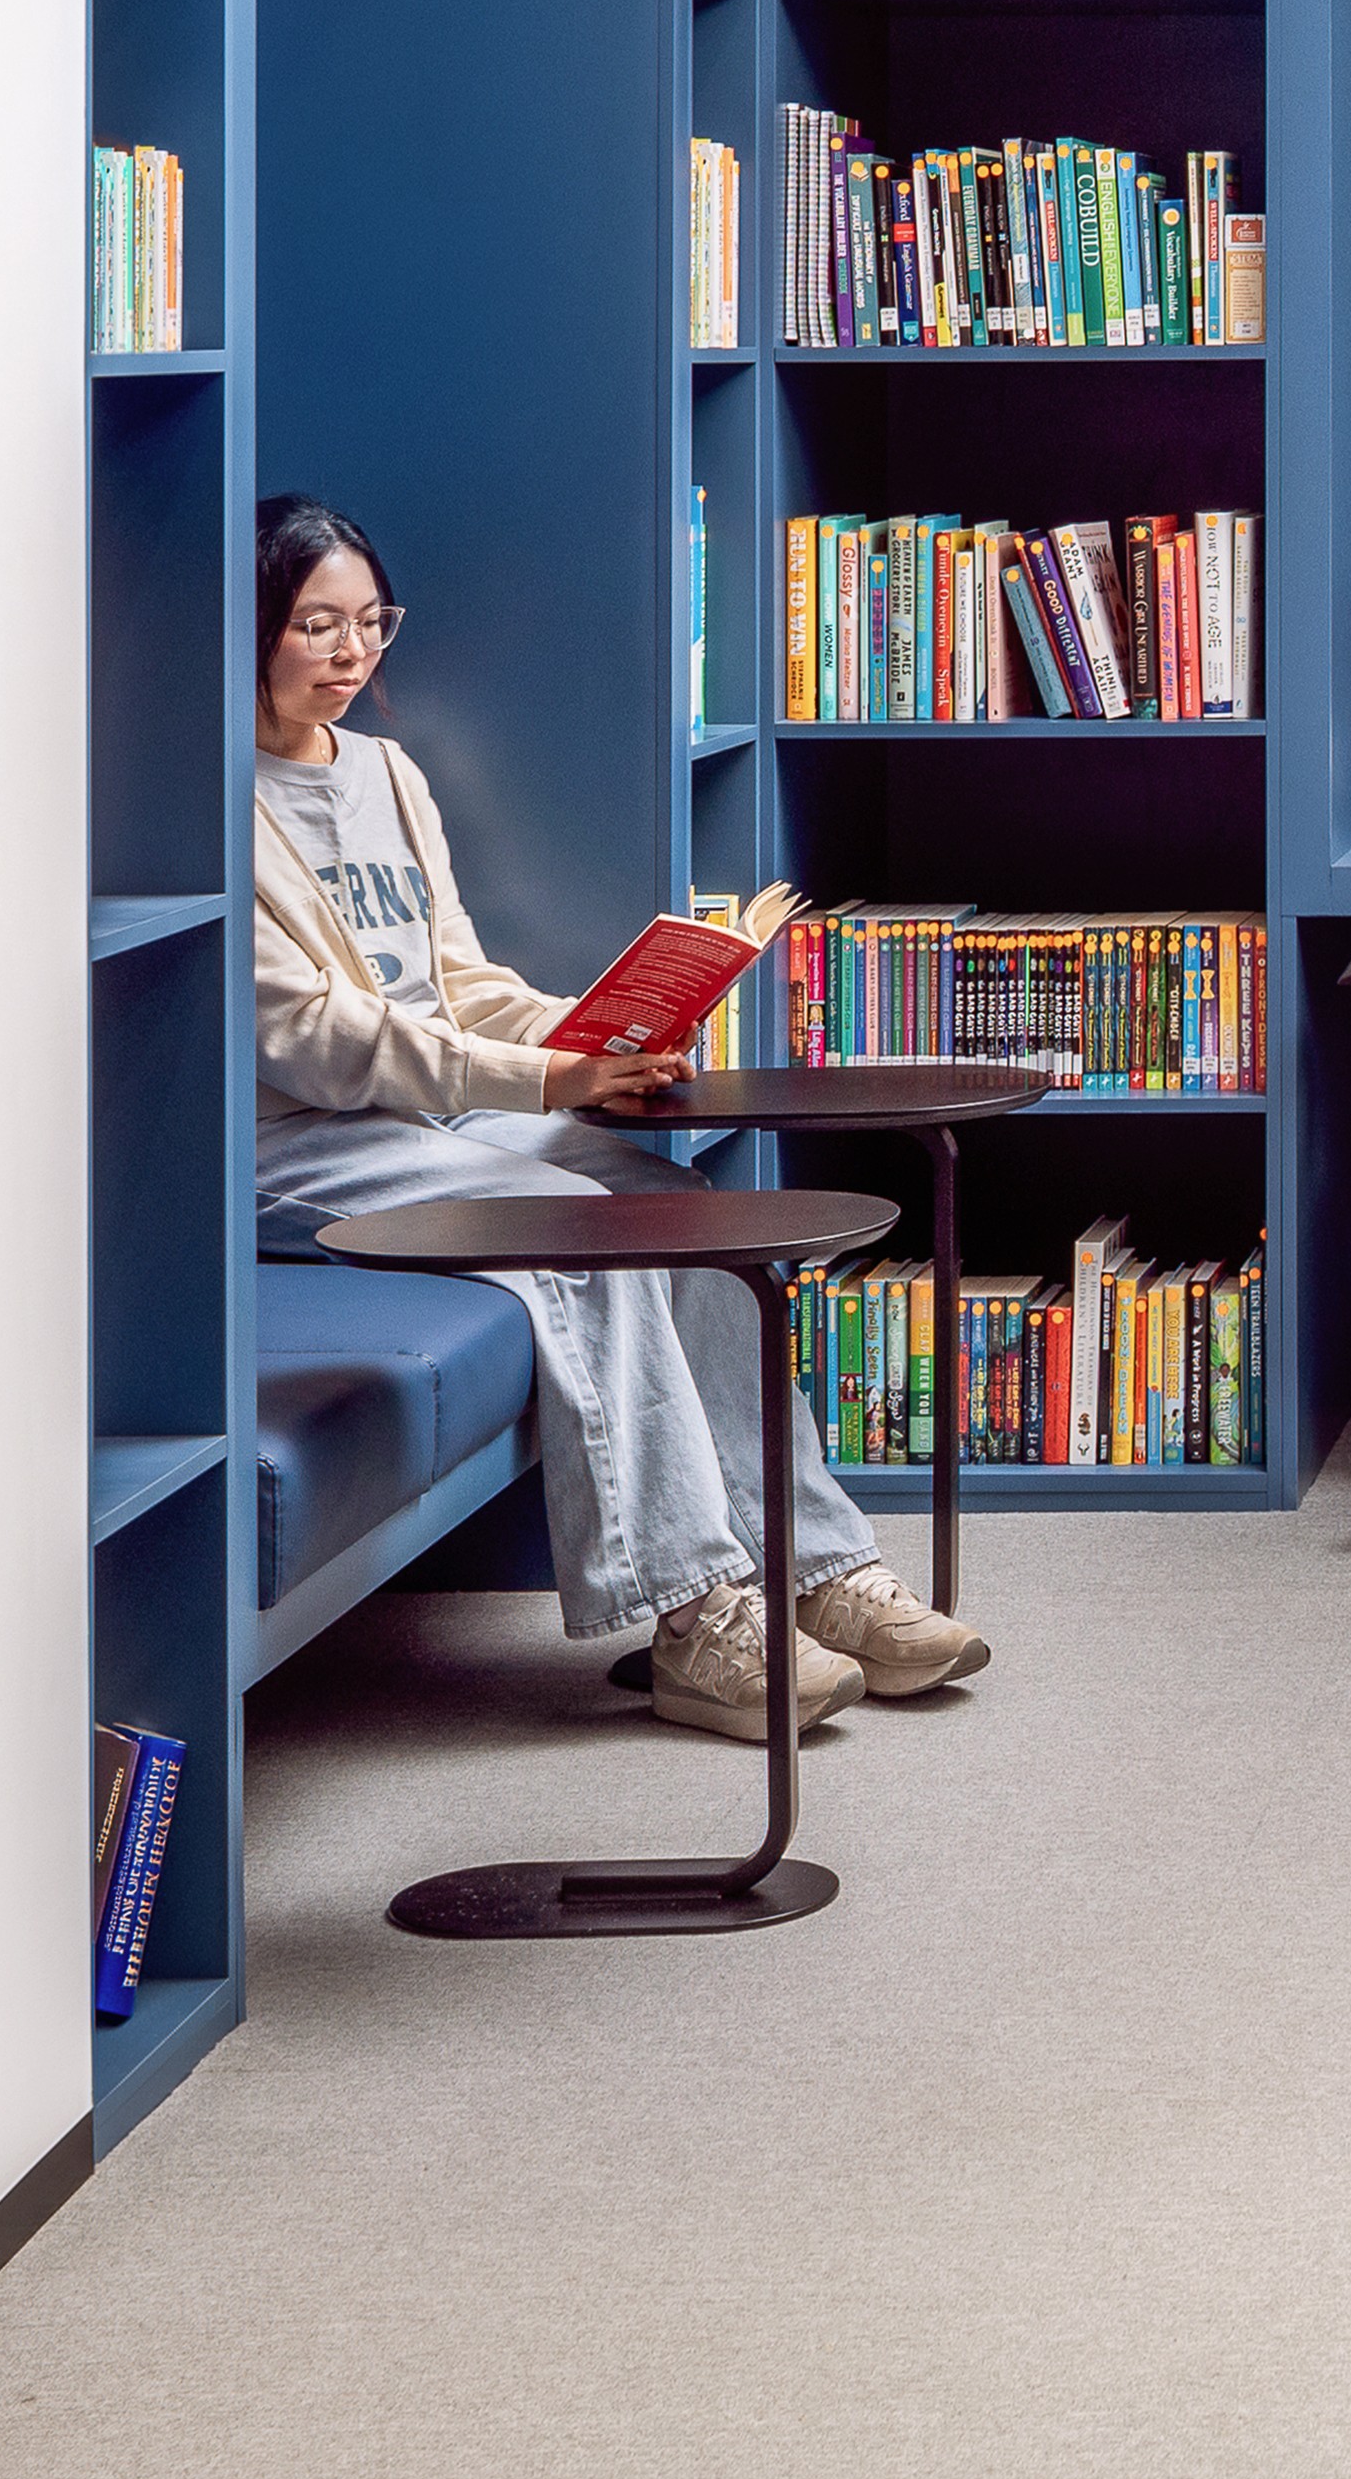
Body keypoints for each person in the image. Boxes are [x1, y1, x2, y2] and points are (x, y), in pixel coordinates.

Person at [248, 490, 982, 1734]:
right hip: (307, 1144)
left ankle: (813, 1565)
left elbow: (458, 981)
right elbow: (316, 1040)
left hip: (446, 1116)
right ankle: (697, 1613)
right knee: (573, 1222)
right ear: (251, 628)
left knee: (680, 1209)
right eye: (316, 623)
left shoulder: (386, 771)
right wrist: (550, 1085)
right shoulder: (211, 804)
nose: (351, 651)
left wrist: (596, 1033)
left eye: (372, 621)